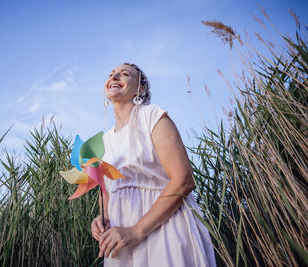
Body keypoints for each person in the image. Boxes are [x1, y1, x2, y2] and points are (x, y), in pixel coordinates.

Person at [90, 63, 217, 266]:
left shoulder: (152, 116)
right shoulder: (103, 141)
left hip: (163, 230)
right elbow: (106, 191)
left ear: (141, 89)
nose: (114, 77)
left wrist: (136, 230)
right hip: (120, 241)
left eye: (124, 74)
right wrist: (102, 218)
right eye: (111, 74)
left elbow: (184, 180)